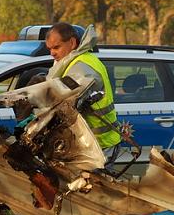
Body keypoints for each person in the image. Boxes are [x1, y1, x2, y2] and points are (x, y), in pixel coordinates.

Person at [45, 22, 121, 154]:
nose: (52, 53)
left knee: (93, 176)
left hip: (98, 143)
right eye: (49, 49)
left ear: (72, 43)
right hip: (94, 142)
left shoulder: (81, 66)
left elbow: (68, 101)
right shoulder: (76, 61)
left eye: (56, 47)